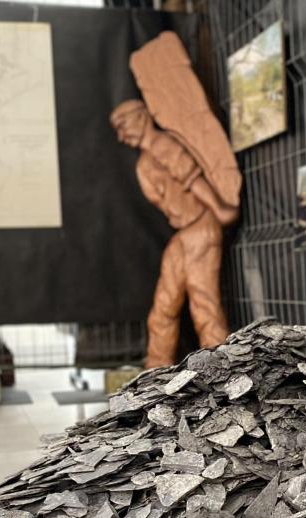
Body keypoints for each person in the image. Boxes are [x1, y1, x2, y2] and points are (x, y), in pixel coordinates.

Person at [110, 99, 238, 368]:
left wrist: (219, 208)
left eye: (123, 125)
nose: (121, 136)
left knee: (205, 308)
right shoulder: (145, 161)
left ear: (141, 116)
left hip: (200, 228)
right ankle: (154, 376)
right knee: (162, 312)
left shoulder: (163, 145)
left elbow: (192, 179)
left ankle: (223, 374)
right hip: (184, 234)